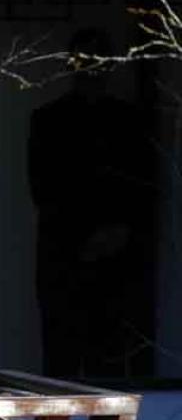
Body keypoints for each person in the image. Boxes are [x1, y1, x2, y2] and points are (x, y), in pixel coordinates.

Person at [29, 28, 156, 379]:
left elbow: (143, 187)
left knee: (111, 352)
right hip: (64, 252)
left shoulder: (129, 122)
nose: (89, 71)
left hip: (117, 254)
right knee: (62, 352)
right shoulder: (48, 121)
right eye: (82, 62)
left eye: (96, 62)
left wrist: (117, 232)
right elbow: (43, 187)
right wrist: (82, 240)